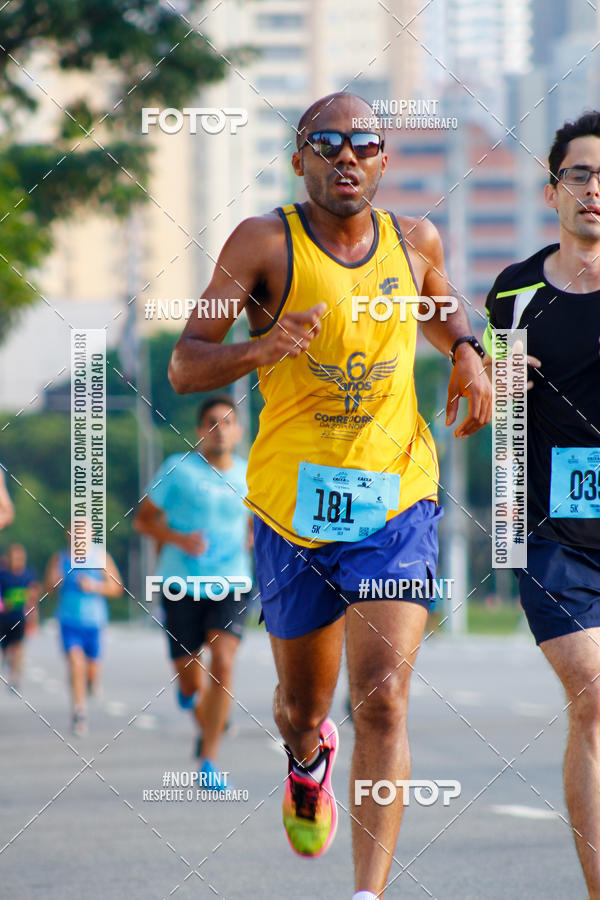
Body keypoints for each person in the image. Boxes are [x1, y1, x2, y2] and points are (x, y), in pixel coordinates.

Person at [168, 92, 490, 899]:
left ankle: (367, 893)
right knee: (299, 707)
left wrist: (469, 353)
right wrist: (262, 345)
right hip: (291, 509)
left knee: (381, 697)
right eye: (327, 142)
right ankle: (307, 760)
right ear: (298, 158)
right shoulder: (262, 243)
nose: (346, 156)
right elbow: (186, 362)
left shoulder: (414, 241)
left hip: (395, 500)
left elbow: (441, 302)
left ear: (383, 160)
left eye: (363, 143)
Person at [484, 111, 600, 899]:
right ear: (551, 188)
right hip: (553, 532)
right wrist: (496, 388)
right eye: (581, 174)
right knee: (593, 693)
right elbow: (486, 420)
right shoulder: (514, 293)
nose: (595, 190)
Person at [134, 396, 252, 786]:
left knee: (224, 659)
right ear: (201, 431)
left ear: (237, 431)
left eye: (227, 422)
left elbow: (256, 525)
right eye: (212, 423)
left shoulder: (250, 476)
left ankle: (209, 759)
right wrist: (178, 539)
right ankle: (191, 697)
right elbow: (143, 521)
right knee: (190, 679)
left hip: (231, 582)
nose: (220, 429)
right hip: (181, 583)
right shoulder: (177, 470)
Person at [45, 526, 123, 736]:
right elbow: (49, 590)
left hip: (94, 622)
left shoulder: (100, 557)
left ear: (90, 535)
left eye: (83, 531)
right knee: (75, 662)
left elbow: (116, 588)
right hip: (68, 621)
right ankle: (79, 712)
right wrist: (54, 582)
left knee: (91, 671)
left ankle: (92, 682)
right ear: (68, 534)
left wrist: (94, 587)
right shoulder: (60, 558)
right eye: (74, 531)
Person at [0, 544, 40, 690]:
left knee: (18, 647)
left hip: (20, 617)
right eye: (14, 558)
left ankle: (15, 678)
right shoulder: (3, 575)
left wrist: (34, 619)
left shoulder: (28, 575)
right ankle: (7, 662)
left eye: (20, 558)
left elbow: (33, 597)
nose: (17, 561)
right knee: (5, 648)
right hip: (3, 619)